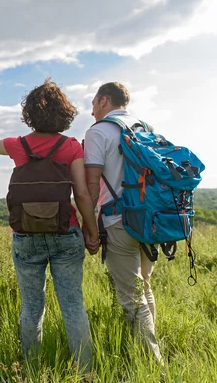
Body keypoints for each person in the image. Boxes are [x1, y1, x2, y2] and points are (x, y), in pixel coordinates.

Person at [0, 78, 99, 372]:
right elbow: (83, 194)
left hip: (26, 235)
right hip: (66, 232)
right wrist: (92, 232)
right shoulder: (71, 147)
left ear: (30, 114)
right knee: (73, 306)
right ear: (64, 114)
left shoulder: (19, 146)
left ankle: (32, 371)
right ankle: (86, 373)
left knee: (31, 307)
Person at [83, 82, 162, 361]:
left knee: (131, 296)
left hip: (118, 220)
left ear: (104, 100)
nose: (91, 109)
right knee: (145, 284)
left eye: (93, 103)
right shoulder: (146, 128)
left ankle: (154, 365)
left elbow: (91, 186)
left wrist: (88, 226)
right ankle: (151, 346)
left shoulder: (98, 132)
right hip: (151, 219)